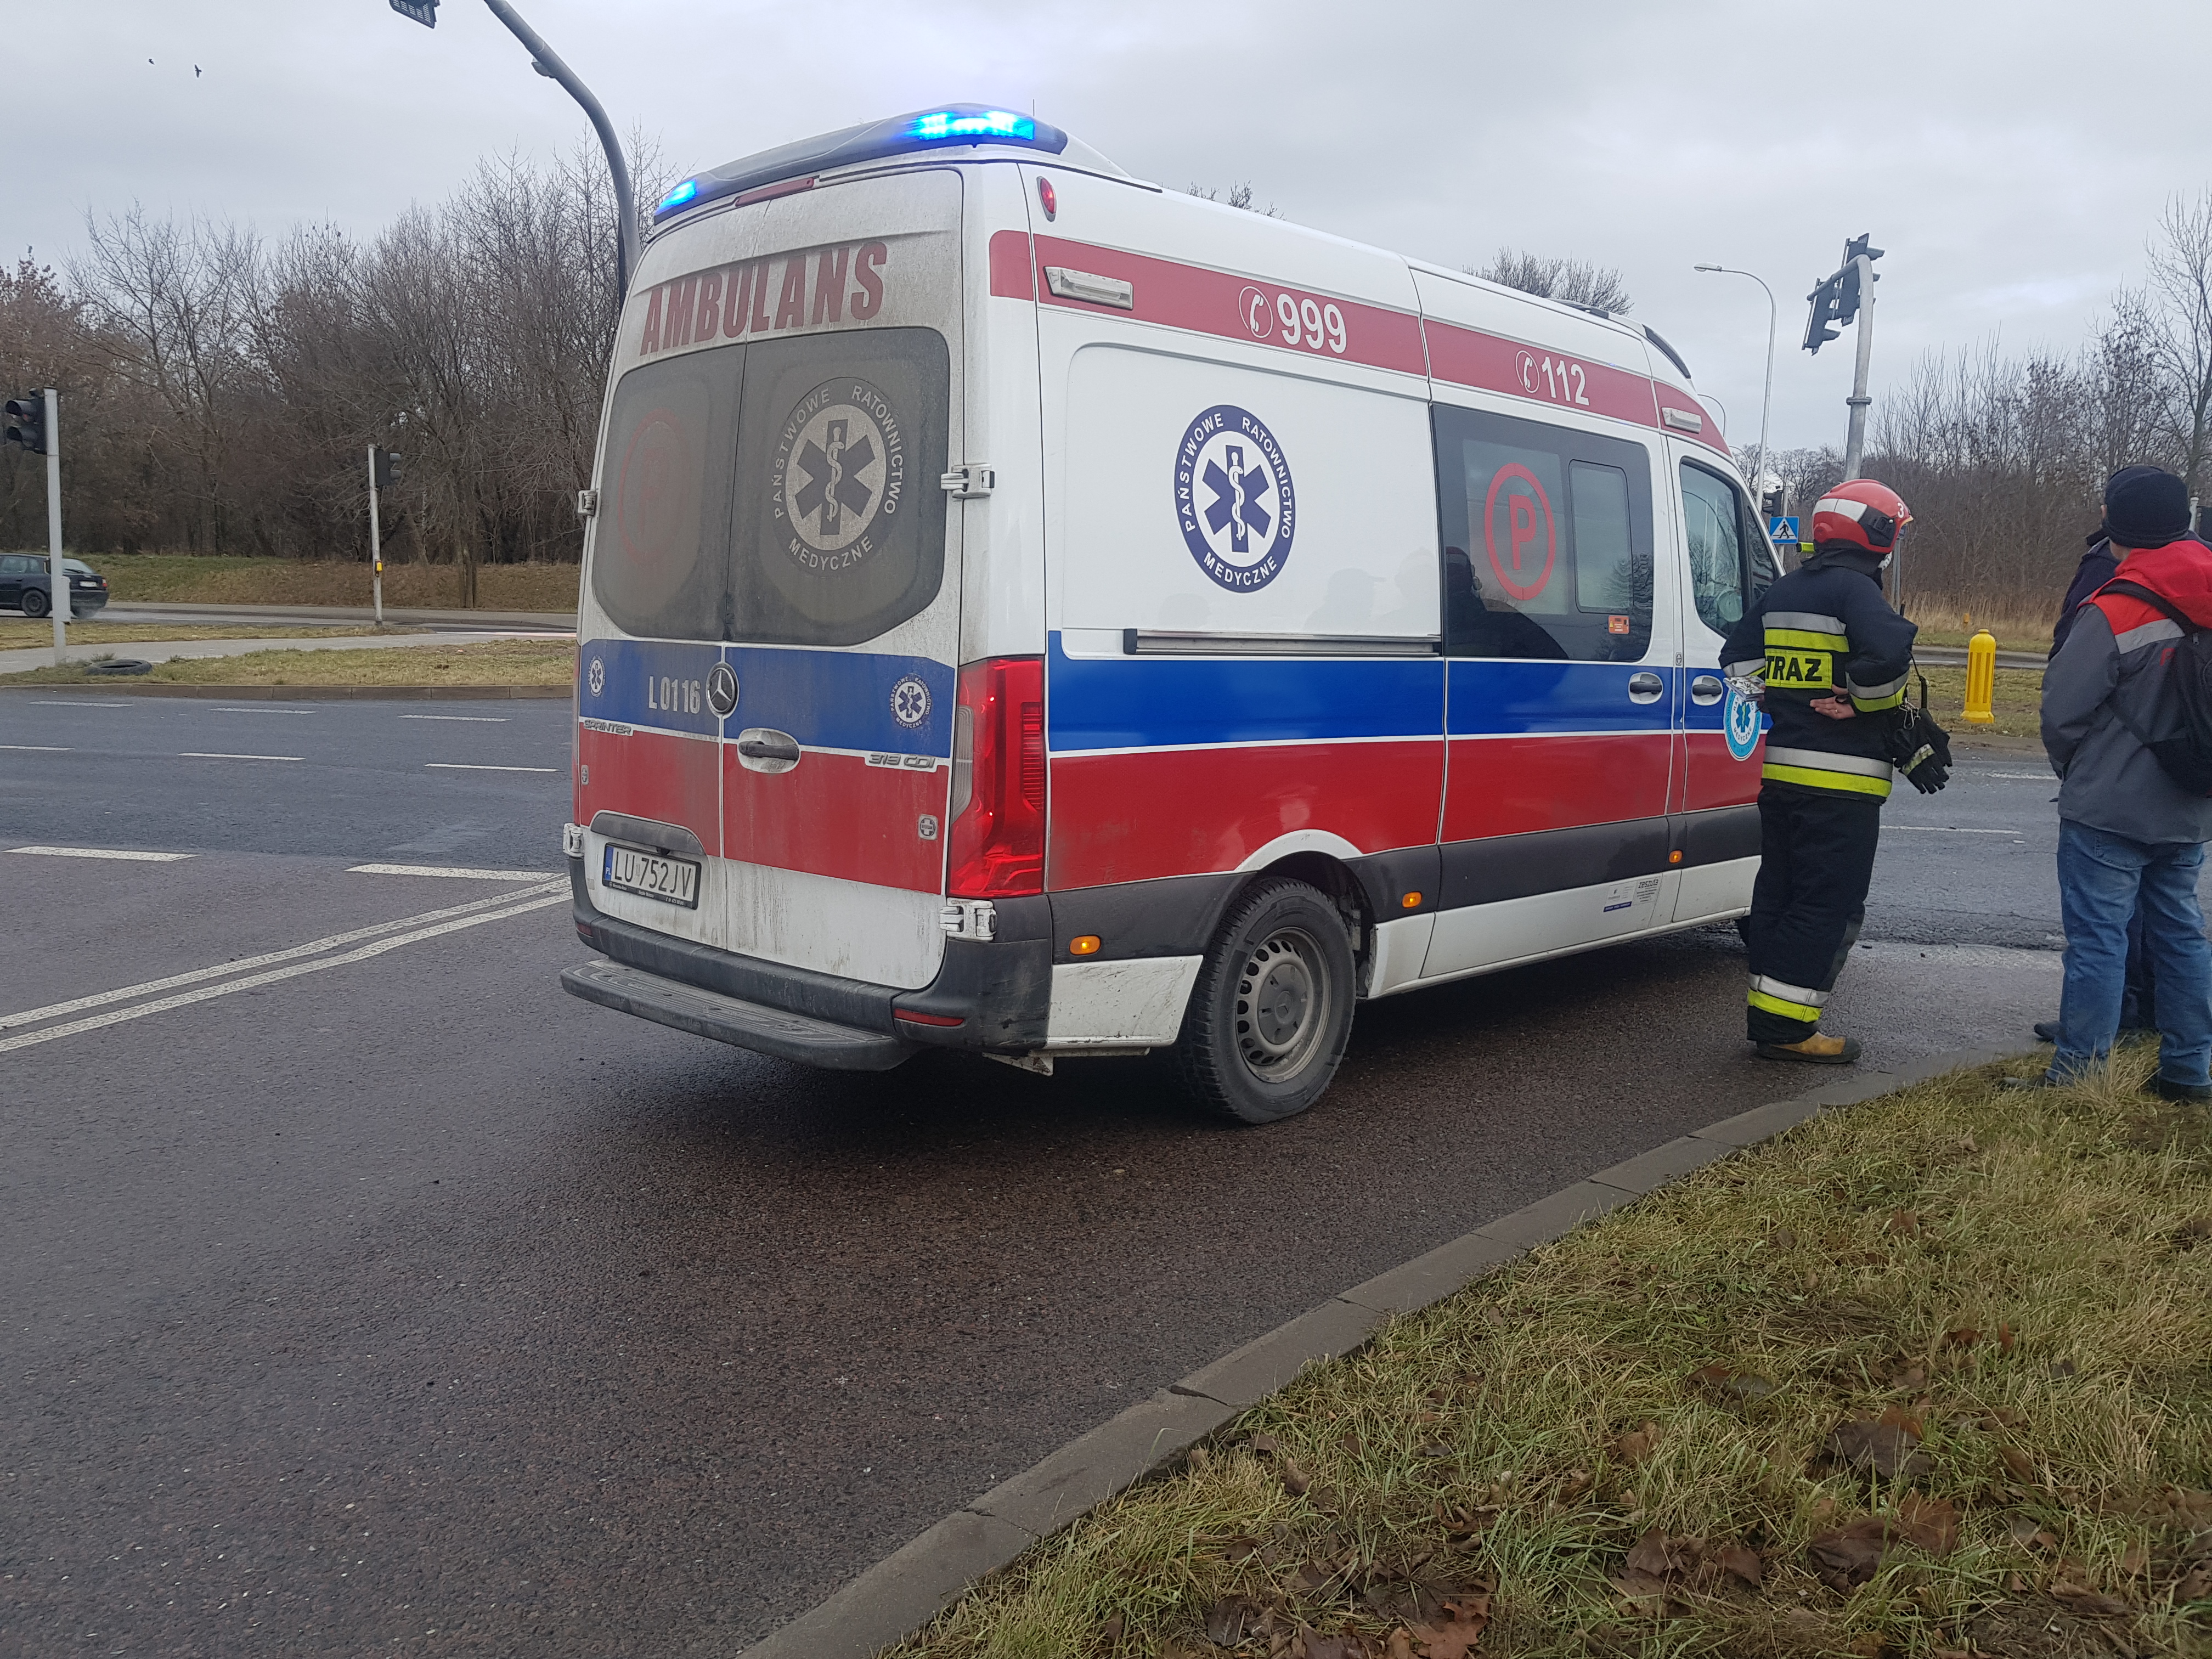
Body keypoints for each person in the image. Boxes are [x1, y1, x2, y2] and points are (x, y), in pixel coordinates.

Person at [2016, 465, 2212, 1101]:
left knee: (2100, 940)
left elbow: (2062, 711)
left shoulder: (2116, 606)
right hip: (2191, 802)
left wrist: (2076, 771)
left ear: (2120, 532)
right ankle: (2189, 1069)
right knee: (2180, 932)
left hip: (2108, 806)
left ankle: (2079, 1075)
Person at [1722, 479, 1920, 1064]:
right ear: (1878, 538)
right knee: (1825, 903)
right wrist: (1860, 699)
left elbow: (1738, 660)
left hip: (1782, 777)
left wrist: (1778, 699)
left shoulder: (1785, 590)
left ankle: (1769, 1018)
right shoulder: (1858, 593)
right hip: (1843, 784)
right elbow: (1890, 655)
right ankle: (1788, 1033)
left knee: (1780, 895)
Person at [2030, 488, 2152, 1042]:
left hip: (2112, 769)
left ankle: (2087, 1049)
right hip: (2181, 778)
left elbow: (2069, 694)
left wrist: (2073, 763)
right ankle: (2184, 1054)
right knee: (2174, 920)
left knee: (2102, 923)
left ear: (2115, 516)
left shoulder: (2116, 580)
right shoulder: (2196, 578)